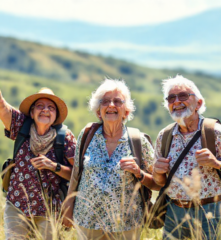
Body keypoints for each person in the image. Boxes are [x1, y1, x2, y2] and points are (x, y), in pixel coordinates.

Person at [0, 33, 76, 239]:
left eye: (51, 107)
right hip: (17, 206)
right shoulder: (21, 125)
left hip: (50, 211)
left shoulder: (65, 137)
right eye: (40, 106)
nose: (45, 110)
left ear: (56, 115)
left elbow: (77, 175)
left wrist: (53, 166)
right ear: (31, 113)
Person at [153, 75, 221, 240]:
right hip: (174, 212)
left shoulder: (216, 132)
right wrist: (157, 172)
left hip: (210, 212)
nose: (176, 101)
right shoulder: (165, 136)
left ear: (198, 103)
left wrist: (218, 164)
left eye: (183, 96)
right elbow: (161, 182)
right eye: (171, 98)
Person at [62, 79, 160, 240]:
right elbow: (76, 173)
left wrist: (138, 172)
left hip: (125, 224)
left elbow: (157, 183)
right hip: (87, 220)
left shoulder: (138, 140)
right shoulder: (87, 135)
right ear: (98, 111)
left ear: (126, 112)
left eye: (117, 101)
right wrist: (68, 203)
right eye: (105, 101)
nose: (111, 105)